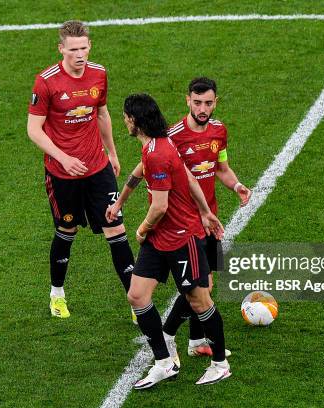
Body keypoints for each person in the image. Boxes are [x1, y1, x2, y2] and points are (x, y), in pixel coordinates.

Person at [108, 77, 251, 356]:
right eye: (197, 102)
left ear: (215, 103)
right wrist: (120, 201)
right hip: (183, 223)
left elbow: (221, 168)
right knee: (201, 287)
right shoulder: (171, 136)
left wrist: (235, 186)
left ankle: (196, 342)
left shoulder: (219, 131)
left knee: (204, 286)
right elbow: (140, 170)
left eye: (208, 103)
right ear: (187, 100)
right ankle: (171, 333)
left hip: (208, 217)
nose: (202, 108)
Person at [121, 93, 231, 389]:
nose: (125, 122)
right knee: (137, 295)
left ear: (134, 121)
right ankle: (164, 361)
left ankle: (220, 364)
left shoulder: (158, 151)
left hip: (181, 237)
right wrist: (206, 212)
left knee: (199, 299)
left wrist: (142, 230)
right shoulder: (158, 144)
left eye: (126, 117)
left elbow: (160, 207)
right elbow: (190, 179)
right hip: (161, 238)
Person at [27, 20, 134, 319]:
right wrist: (63, 158)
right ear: (61, 49)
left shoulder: (99, 74)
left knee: (117, 229)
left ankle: (137, 302)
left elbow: (101, 113)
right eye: (73, 49)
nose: (79, 54)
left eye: (84, 48)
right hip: (63, 174)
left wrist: (112, 152)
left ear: (90, 46)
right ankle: (57, 295)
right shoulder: (46, 82)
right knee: (67, 230)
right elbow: (34, 130)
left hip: (97, 167)